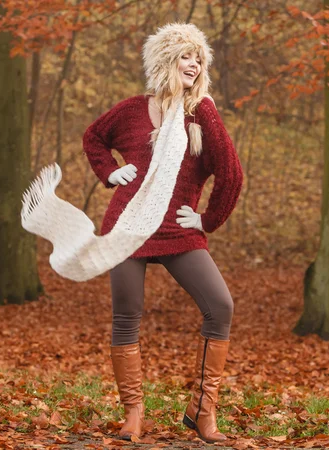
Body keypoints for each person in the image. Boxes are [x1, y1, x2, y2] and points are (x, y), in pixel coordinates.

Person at [81, 23, 243, 442]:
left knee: (220, 307)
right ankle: (133, 414)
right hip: (127, 228)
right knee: (126, 316)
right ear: (166, 60)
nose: (194, 64)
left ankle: (203, 412)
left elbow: (231, 172)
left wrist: (208, 220)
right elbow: (93, 137)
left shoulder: (200, 111)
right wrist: (110, 172)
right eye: (186, 56)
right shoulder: (133, 109)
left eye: (199, 58)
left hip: (177, 230)